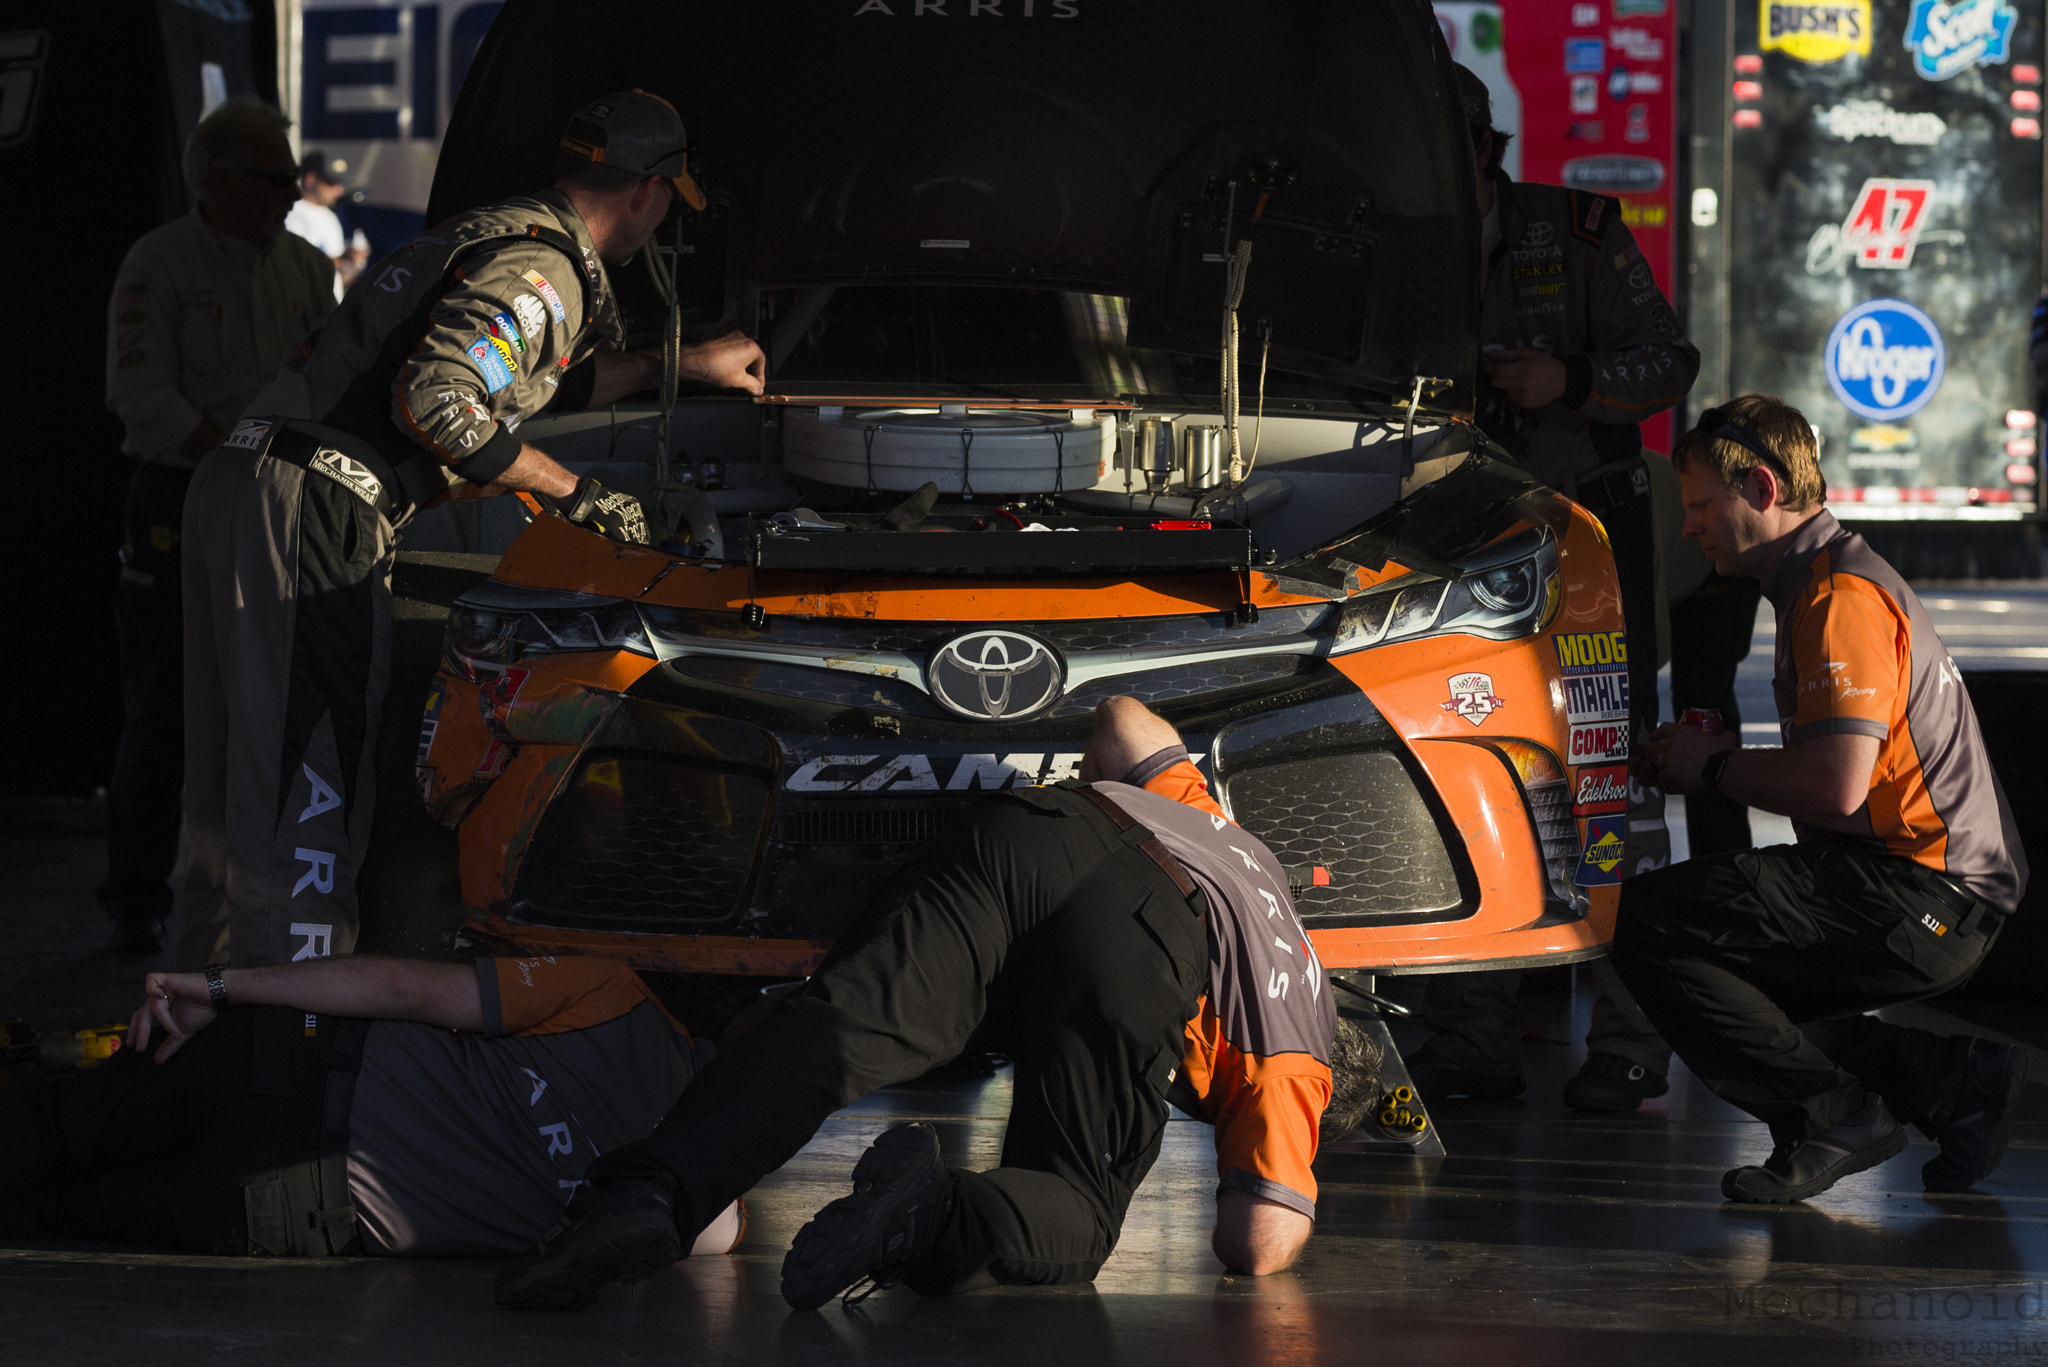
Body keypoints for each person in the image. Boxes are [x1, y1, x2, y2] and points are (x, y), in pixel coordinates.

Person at [493, 696, 1379, 1312]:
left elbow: (1124, 722)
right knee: (1076, 1208)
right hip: (1141, 934)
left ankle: (643, 1196)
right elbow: (1259, 1240)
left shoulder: (1254, 860)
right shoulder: (1299, 1049)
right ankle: (930, 1212)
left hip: (1040, 831)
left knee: (842, 1027)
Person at [179, 89, 767, 970]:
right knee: (307, 784)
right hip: (314, 504)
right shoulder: (547, 267)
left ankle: (191, 1021)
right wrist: (578, 495)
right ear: (648, 192)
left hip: (246, 476)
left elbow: (516, 379)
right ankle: (285, 1046)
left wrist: (685, 364)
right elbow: (438, 398)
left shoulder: (497, 232)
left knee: (225, 791)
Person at [1616, 393, 2030, 1203]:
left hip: (1925, 894)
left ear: (1764, 490)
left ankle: (1832, 1113)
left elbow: (1835, 785)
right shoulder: (1824, 583)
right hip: (1922, 888)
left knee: (1645, 920)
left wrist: (1710, 767)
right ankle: (1956, 1084)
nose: (1691, 526)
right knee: (1737, 986)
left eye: (1702, 505)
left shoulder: (1840, 597)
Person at [1404, 67, 1704, 1104]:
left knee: (1607, 789)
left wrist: (1563, 380)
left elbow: (1671, 361)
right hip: (1440, 561)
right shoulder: (1382, 247)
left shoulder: (1572, 231)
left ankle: (1629, 1041)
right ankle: (1468, 1035)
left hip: (1585, 563)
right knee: (1453, 774)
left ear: (1483, 152)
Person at [0, 953, 744, 1257]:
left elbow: (406, 989)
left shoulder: (618, 997)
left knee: (51, 1127)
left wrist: (222, 987)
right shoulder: (703, 1224)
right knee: (62, 1224)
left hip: (304, 1060)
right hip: (299, 1201)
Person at [99, 98, 337, 955]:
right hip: (178, 499)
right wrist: (230, 457)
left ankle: (258, 885)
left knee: (274, 700)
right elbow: (141, 395)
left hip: (282, 506)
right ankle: (136, 893)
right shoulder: (158, 264)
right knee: (165, 704)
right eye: (276, 177)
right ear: (220, 180)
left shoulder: (310, 269)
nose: (292, 190)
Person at [284, 150, 352, 300]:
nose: (339, 190)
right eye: (331, 183)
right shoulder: (291, 213)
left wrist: (352, 262)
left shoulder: (330, 217)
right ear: (310, 179)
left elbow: (340, 278)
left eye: (340, 183)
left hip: (329, 312)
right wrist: (339, 260)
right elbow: (295, 268)